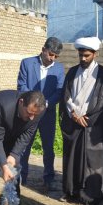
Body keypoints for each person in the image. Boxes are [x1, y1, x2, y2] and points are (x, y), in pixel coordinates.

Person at [59, 37, 103, 205]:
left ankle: (91, 196)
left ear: (94, 54)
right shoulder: (72, 72)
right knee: (72, 158)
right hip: (74, 122)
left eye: (87, 55)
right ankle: (71, 192)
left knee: (93, 161)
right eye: (80, 55)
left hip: (92, 124)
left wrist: (87, 118)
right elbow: (66, 95)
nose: (83, 58)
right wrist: (73, 114)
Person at [17, 37, 64, 190]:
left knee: (48, 148)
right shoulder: (27, 63)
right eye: (51, 54)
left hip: (48, 114)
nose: (53, 58)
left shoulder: (58, 69)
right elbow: (22, 85)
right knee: (25, 145)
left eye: (56, 56)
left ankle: (49, 178)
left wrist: (46, 104)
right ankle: (21, 177)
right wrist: (33, 104)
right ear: (43, 49)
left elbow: (59, 90)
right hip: (29, 113)